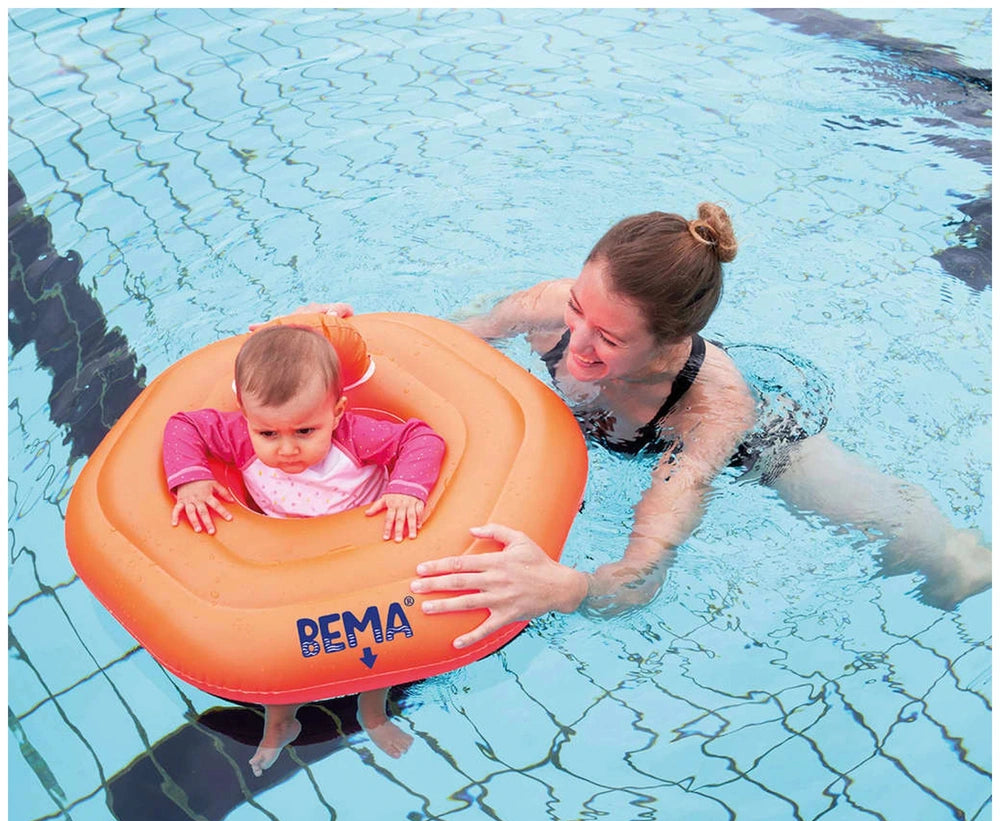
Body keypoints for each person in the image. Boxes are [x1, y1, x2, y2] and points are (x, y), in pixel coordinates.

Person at [400, 203, 991, 646]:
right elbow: (448, 343)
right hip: (625, 421)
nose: (575, 342)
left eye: (609, 338)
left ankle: (965, 560)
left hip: (758, 444)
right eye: (578, 308)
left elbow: (642, 575)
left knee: (899, 532)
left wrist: (567, 588)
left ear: (670, 340)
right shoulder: (552, 304)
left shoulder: (711, 414)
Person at [162, 321, 445, 773]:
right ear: (245, 415)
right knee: (279, 646)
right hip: (289, 559)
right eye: (268, 434)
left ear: (337, 412)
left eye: (305, 431)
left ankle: (372, 713)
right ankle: (281, 721)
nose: (286, 449)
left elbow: (421, 438)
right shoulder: (239, 436)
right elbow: (183, 426)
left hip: (364, 555)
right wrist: (191, 479)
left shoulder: (355, 436)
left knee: (376, 638)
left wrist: (405, 489)